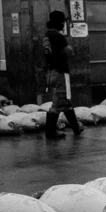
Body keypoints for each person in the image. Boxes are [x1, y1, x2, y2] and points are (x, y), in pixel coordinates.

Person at [43, 10, 82, 140]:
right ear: (60, 22)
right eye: (63, 21)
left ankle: (76, 128)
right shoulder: (58, 36)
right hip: (60, 72)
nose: (64, 24)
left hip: (51, 72)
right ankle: (50, 132)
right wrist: (70, 44)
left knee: (65, 100)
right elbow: (69, 52)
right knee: (58, 102)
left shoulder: (47, 35)